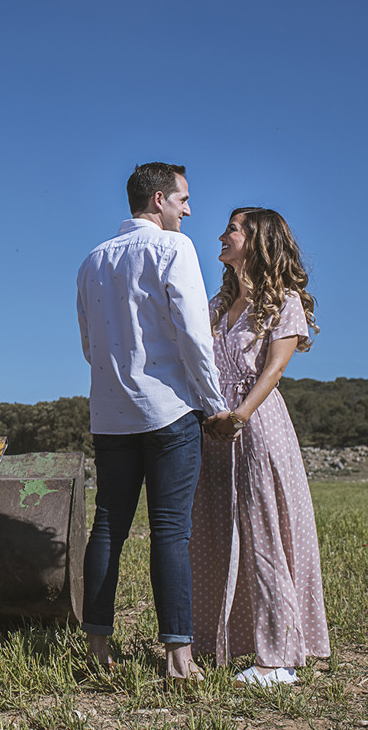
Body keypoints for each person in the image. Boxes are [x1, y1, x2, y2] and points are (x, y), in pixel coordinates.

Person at [76, 162, 238, 681]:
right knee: (170, 530)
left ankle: (97, 652)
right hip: (169, 410)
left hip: (111, 414)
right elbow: (194, 336)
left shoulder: (92, 261)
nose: (189, 211)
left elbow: (89, 346)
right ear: (160, 199)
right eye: (184, 200)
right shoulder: (174, 249)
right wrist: (214, 406)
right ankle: (178, 657)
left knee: (108, 526)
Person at [190, 207, 330, 687]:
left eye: (232, 229)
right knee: (214, 533)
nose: (222, 236)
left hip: (257, 424)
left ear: (258, 240)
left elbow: (273, 369)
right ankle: (223, 644)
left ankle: (280, 657)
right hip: (214, 428)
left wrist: (241, 414)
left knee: (265, 534)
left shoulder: (283, 302)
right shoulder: (213, 306)